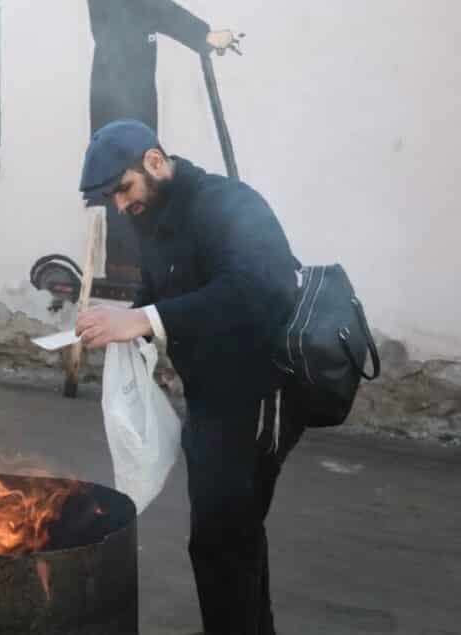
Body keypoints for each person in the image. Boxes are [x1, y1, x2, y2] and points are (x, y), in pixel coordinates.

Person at [75, 119, 304, 635]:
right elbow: (161, 291)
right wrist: (121, 321)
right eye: (111, 197)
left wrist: (145, 319)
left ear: (154, 162)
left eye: (123, 189)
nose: (120, 205)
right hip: (209, 397)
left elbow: (255, 293)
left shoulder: (229, 204)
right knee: (230, 537)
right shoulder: (152, 215)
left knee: (223, 539)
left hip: (260, 393)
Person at [85, 0, 240, 286]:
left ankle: (143, 268)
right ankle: (130, 273)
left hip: (134, 80)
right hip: (119, 84)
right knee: (130, 175)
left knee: (144, 174)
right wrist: (201, 34)